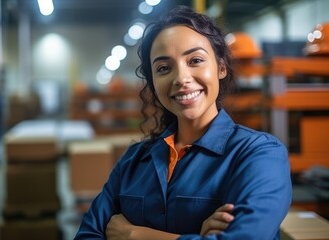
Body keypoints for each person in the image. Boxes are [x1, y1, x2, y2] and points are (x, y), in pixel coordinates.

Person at [74, 5, 292, 240]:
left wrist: (136, 235)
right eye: (164, 68)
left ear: (221, 67)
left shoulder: (258, 155)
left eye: (195, 60)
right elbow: (87, 235)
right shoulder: (134, 161)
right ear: (153, 83)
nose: (181, 78)